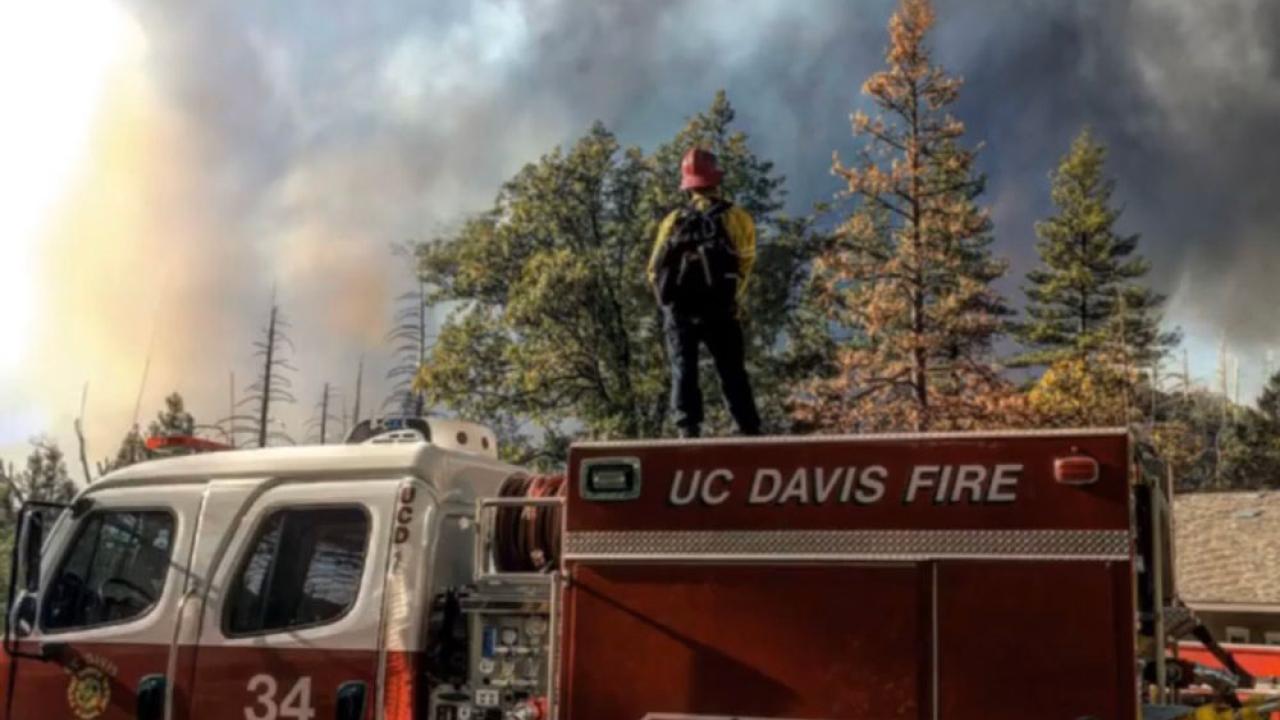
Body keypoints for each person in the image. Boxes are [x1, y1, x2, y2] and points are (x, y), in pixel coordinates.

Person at [647, 147, 762, 438]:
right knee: (731, 369)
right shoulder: (737, 217)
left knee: (683, 368)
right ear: (716, 181)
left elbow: (653, 270)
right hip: (720, 308)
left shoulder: (672, 221)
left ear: (688, 186)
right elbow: (745, 263)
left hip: (680, 311)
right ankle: (746, 428)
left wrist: (668, 305)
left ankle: (688, 429)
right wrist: (731, 298)